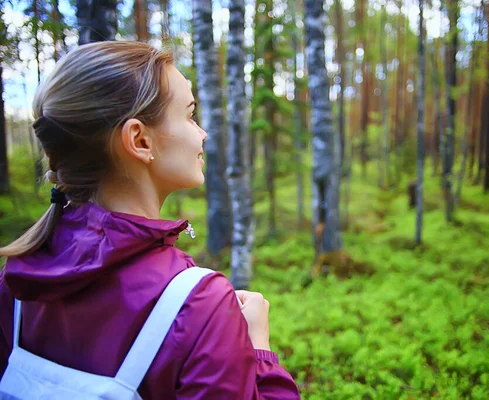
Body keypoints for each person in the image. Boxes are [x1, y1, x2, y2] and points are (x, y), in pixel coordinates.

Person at [0, 41, 300, 399]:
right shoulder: (199, 304)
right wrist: (259, 350)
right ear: (140, 140)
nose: (202, 132)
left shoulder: (18, 279)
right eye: (189, 115)